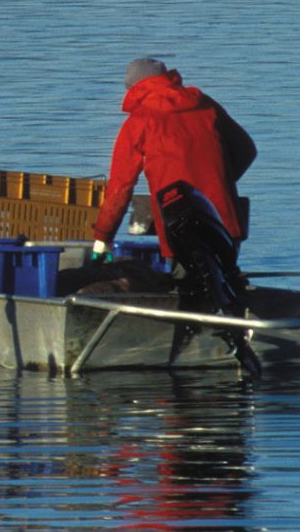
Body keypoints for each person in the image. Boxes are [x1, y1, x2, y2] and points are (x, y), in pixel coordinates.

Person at [89, 57, 262, 375]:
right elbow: (247, 149)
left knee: (191, 292)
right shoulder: (203, 104)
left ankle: (193, 357)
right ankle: (237, 335)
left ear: (133, 88)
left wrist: (102, 240)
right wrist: (219, 184)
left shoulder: (140, 121)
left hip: (181, 230)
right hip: (224, 221)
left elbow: (120, 189)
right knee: (224, 282)